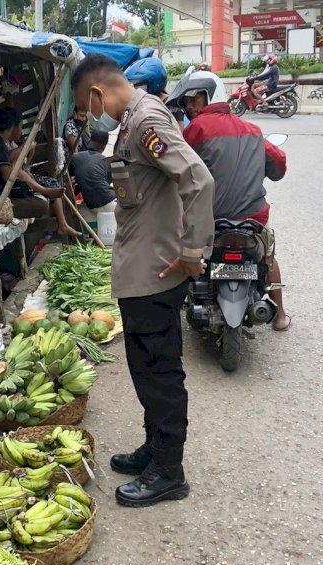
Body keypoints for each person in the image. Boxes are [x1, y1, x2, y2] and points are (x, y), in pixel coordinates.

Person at [71, 53, 214, 508]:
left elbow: (198, 180)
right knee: (144, 370)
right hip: (140, 273)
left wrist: (193, 253)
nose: (91, 115)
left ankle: (169, 471)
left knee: (160, 374)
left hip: (156, 274)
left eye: (86, 106)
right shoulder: (133, 120)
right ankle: (155, 449)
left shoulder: (147, 119)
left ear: (97, 93)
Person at [173, 70, 291, 331]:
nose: (188, 106)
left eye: (193, 99)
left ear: (209, 96)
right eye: (184, 103)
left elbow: (177, 168)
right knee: (267, 256)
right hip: (252, 219)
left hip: (211, 220)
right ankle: (280, 315)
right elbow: (279, 166)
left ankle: (177, 303)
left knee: (182, 248)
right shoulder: (253, 130)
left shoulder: (197, 129)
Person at [0, 107, 80, 236]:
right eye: (19, 126)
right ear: (11, 126)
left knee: (35, 190)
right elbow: (9, 175)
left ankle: (44, 193)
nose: (20, 131)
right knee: (42, 206)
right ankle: (43, 192)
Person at [69, 129, 116, 212]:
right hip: (109, 202)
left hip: (92, 205)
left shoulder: (75, 158)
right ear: (104, 147)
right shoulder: (107, 161)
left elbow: (72, 178)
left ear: (90, 141)